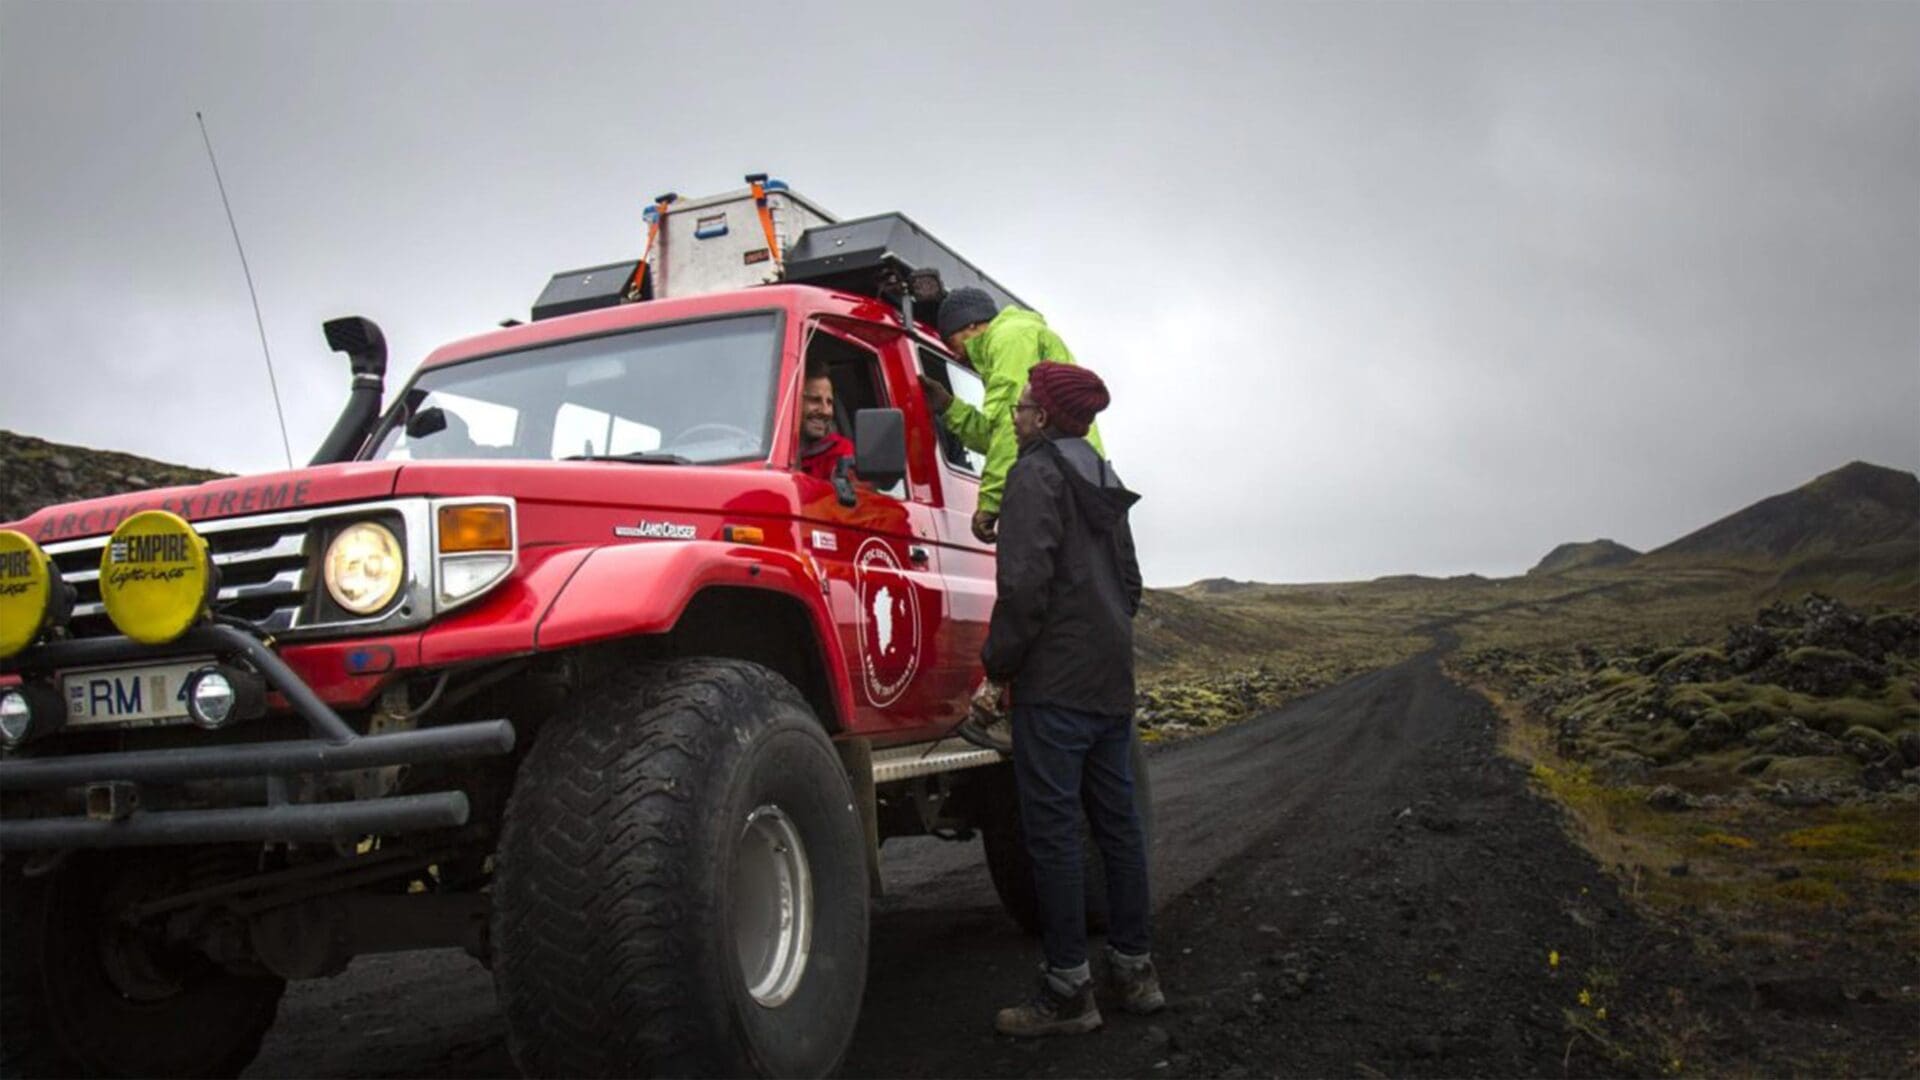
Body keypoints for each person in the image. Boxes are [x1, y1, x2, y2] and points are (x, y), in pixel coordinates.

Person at [977, 361, 1160, 1038]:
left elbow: (1023, 587)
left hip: (1053, 691)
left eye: (1023, 407)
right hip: (1111, 683)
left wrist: (999, 668)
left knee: (1051, 837)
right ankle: (1136, 974)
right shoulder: (1104, 478)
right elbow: (1132, 586)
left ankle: (1067, 993)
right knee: (1119, 829)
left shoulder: (1036, 473)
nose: (1017, 416)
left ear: (1046, 418)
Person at [919, 288, 1102, 544]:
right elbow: (1002, 434)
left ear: (971, 326)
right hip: (1071, 475)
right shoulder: (1012, 340)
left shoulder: (1009, 338)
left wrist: (991, 501)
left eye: (952, 343)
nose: (956, 356)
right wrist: (950, 407)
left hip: (1063, 477)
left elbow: (1010, 428)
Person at [796, 364, 853, 481]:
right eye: (815, 400)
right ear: (793, 402)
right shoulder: (762, 451)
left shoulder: (841, 453)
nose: (826, 411)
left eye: (829, 402)